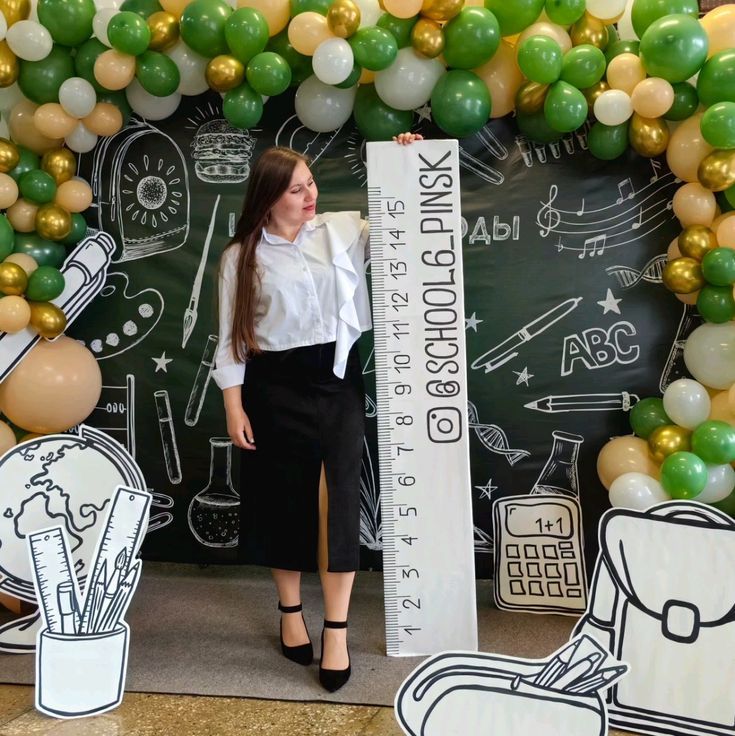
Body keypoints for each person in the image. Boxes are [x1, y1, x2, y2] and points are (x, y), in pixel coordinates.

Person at [212, 131, 423, 692]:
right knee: (285, 503)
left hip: (337, 381)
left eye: (311, 184)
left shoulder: (345, 229)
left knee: (339, 506)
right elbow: (230, 340)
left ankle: (336, 630)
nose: (311, 196)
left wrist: (407, 159)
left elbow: (406, 225)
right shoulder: (240, 256)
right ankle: (289, 611)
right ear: (268, 198)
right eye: (296, 190)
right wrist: (234, 405)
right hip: (272, 386)